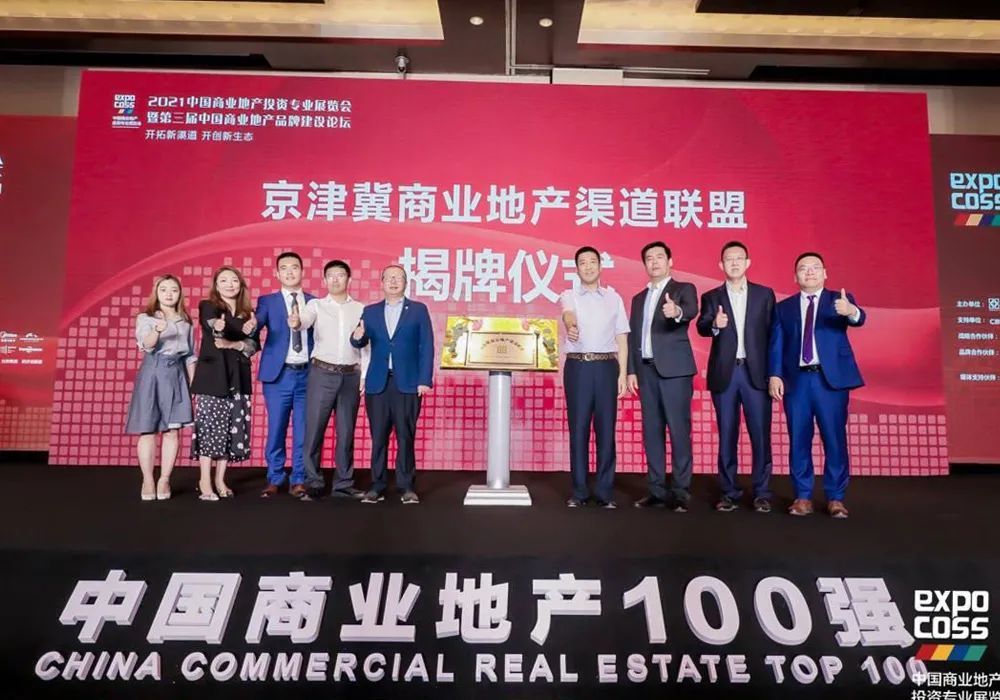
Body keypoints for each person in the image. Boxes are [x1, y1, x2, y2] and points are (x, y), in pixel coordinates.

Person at [768, 252, 865, 519]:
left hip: (830, 381)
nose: (809, 272)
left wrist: (851, 311)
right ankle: (803, 496)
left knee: (834, 439)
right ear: (795, 276)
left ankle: (836, 497)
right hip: (797, 381)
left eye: (815, 267)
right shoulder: (784, 308)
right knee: (798, 438)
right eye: (803, 268)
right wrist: (774, 374)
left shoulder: (839, 300)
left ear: (825, 273)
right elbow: (776, 344)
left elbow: (859, 318)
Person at [696, 241, 776, 513]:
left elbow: (773, 335)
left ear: (748, 262)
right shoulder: (712, 297)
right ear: (721, 265)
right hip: (726, 375)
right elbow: (702, 326)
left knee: (760, 436)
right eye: (729, 259)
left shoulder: (764, 295)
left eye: (739, 258)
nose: (734, 263)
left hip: (757, 375)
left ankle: (762, 493)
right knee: (727, 435)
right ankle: (729, 492)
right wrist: (715, 325)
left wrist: (774, 373)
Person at [350, 264, 434, 504]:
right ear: (382, 282)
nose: (394, 282)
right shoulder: (370, 312)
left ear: (406, 283)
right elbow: (359, 340)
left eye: (399, 278)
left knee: (405, 436)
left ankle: (406, 486)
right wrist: (356, 338)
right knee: (378, 437)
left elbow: (426, 346)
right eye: (389, 278)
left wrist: (424, 380)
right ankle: (377, 485)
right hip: (378, 383)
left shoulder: (418, 310)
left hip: (407, 383)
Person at [626, 241, 698, 512]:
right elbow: (633, 336)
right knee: (652, 432)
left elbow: (690, 310)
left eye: (659, 257)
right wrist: (631, 370)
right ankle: (656, 490)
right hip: (646, 371)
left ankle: (680, 491)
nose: (654, 262)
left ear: (670, 261)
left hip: (675, 372)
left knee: (679, 431)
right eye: (649, 258)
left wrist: (676, 312)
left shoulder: (683, 289)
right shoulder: (638, 299)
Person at [292, 259, 369, 501]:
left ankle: (343, 483)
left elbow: (366, 347)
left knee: (346, 432)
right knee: (314, 430)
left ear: (349, 279)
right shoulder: (315, 305)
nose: (335, 279)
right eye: (331, 275)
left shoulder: (361, 309)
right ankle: (313, 481)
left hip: (350, 376)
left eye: (340, 275)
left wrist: (364, 376)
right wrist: (296, 322)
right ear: (324, 280)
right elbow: (303, 321)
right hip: (322, 373)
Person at [559, 246, 629, 509]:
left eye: (592, 262)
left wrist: (623, 373)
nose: (587, 266)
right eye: (582, 263)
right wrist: (571, 327)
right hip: (578, 367)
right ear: (577, 269)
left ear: (600, 266)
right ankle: (579, 492)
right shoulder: (569, 295)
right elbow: (568, 315)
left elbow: (622, 337)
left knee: (606, 430)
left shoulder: (614, 298)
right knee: (578, 430)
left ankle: (604, 492)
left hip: (607, 367)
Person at [124, 274, 197, 501]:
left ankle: (164, 479)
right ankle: (147, 479)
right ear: (156, 293)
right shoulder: (145, 318)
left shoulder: (186, 322)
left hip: (176, 374)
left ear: (180, 294)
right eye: (163, 289)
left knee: (172, 431)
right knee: (148, 430)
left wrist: (193, 384)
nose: (168, 294)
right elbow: (146, 345)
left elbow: (190, 355)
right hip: (152, 372)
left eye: (173, 289)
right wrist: (157, 329)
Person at [189, 266, 258, 501]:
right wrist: (236, 330)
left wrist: (239, 341)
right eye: (224, 280)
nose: (230, 284)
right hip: (213, 377)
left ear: (241, 285)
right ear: (216, 285)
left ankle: (220, 479)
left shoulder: (248, 313)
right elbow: (215, 327)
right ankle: (204, 480)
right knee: (210, 430)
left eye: (234, 280)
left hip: (238, 376)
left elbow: (253, 347)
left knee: (231, 429)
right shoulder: (208, 306)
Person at [255, 252, 315, 499]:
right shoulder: (267, 301)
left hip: (308, 375)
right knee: (276, 428)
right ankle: (275, 477)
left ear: (302, 271)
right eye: (284, 268)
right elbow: (256, 324)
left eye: (294, 267)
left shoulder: (314, 303)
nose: (290, 272)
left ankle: (299, 479)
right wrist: (248, 326)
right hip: (278, 375)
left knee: (303, 431)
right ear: (277, 273)